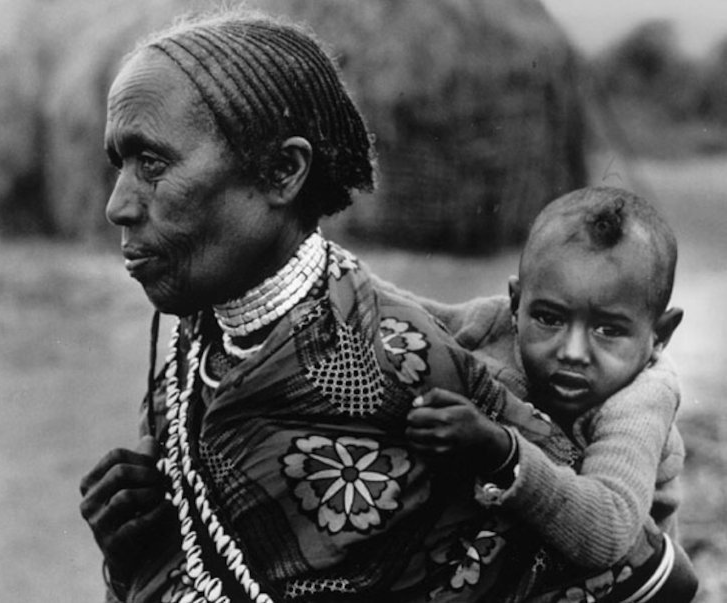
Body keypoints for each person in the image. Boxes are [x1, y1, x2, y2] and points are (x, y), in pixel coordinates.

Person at [78, 11, 696, 603]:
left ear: (282, 171)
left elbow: (645, 572)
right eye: (120, 164)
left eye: (152, 163)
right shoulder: (191, 361)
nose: (118, 205)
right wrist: (137, 555)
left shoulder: (405, 365)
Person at [407, 186, 696, 600]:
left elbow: (608, 531)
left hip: (612, 582)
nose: (572, 352)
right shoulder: (496, 323)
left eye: (608, 330)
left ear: (659, 334)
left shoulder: (641, 399)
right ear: (516, 303)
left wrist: (501, 452)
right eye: (548, 318)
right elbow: (407, 317)